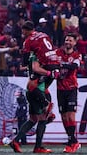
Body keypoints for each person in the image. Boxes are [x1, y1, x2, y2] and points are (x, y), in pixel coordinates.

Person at [9, 21, 60, 153]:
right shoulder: (37, 55)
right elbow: (36, 68)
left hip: (32, 90)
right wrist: (50, 72)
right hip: (35, 90)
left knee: (33, 119)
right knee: (44, 116)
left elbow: (29, 66)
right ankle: (38, 147)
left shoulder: (34, 50)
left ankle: (15, 141)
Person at [56, 33, 81, 153]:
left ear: (74, 43)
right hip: (60, 89)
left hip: (71, 88)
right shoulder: (58, 53)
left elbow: (74, 66)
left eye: (70, 40)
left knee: (71, 116)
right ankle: (74, 140)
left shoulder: (77, 55)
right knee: (64, 117)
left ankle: (71, 143)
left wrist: (60, 65)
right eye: (66, 40)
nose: (68, 42)